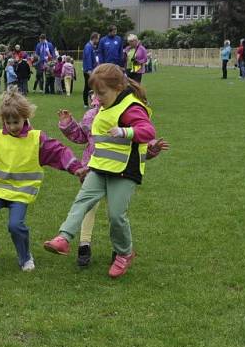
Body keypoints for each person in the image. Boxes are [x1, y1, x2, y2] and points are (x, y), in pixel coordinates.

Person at [43, 63, 156, 278]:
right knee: (82, 200)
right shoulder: (103, 107)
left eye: (101, 92)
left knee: (116, 216)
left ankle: (124, 254)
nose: (97, 97)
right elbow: (89, 137)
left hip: (124, 171)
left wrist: (125, 131)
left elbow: (148, 130)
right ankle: (64, 238)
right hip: (99, 167)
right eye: (94, 92)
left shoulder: (131, 107)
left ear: (119, 87)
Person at [0, 91, 84, 272]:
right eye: (8, 122)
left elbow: (59, 152)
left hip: (22, 192)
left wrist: (76, 168)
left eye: (16, 122)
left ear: (26, 117)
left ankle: (25, 257)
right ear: (3, 121)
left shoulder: (37, 138)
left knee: (15, 225)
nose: (13, 126)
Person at [56, 96, 168, 267]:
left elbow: (138, 146)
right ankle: (84, 246)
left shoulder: (126, 113)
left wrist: (152, 150)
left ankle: (119, 250)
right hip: (93, 167)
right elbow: (81, 136)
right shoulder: (91, 115)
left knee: (115, 212)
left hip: (119, 171)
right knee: (88, 206)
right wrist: (67, 124)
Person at [82, 32, 100, 107]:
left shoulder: (91, 46)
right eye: (98, 39)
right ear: (94, 38)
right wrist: (89, 70)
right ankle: (87, 103)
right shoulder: (88, 47)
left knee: (89, 86)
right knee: (88, 87)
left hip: (91, 70)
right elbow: (88, 58)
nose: (98, 41)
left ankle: (90, 103)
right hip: (88, 70)